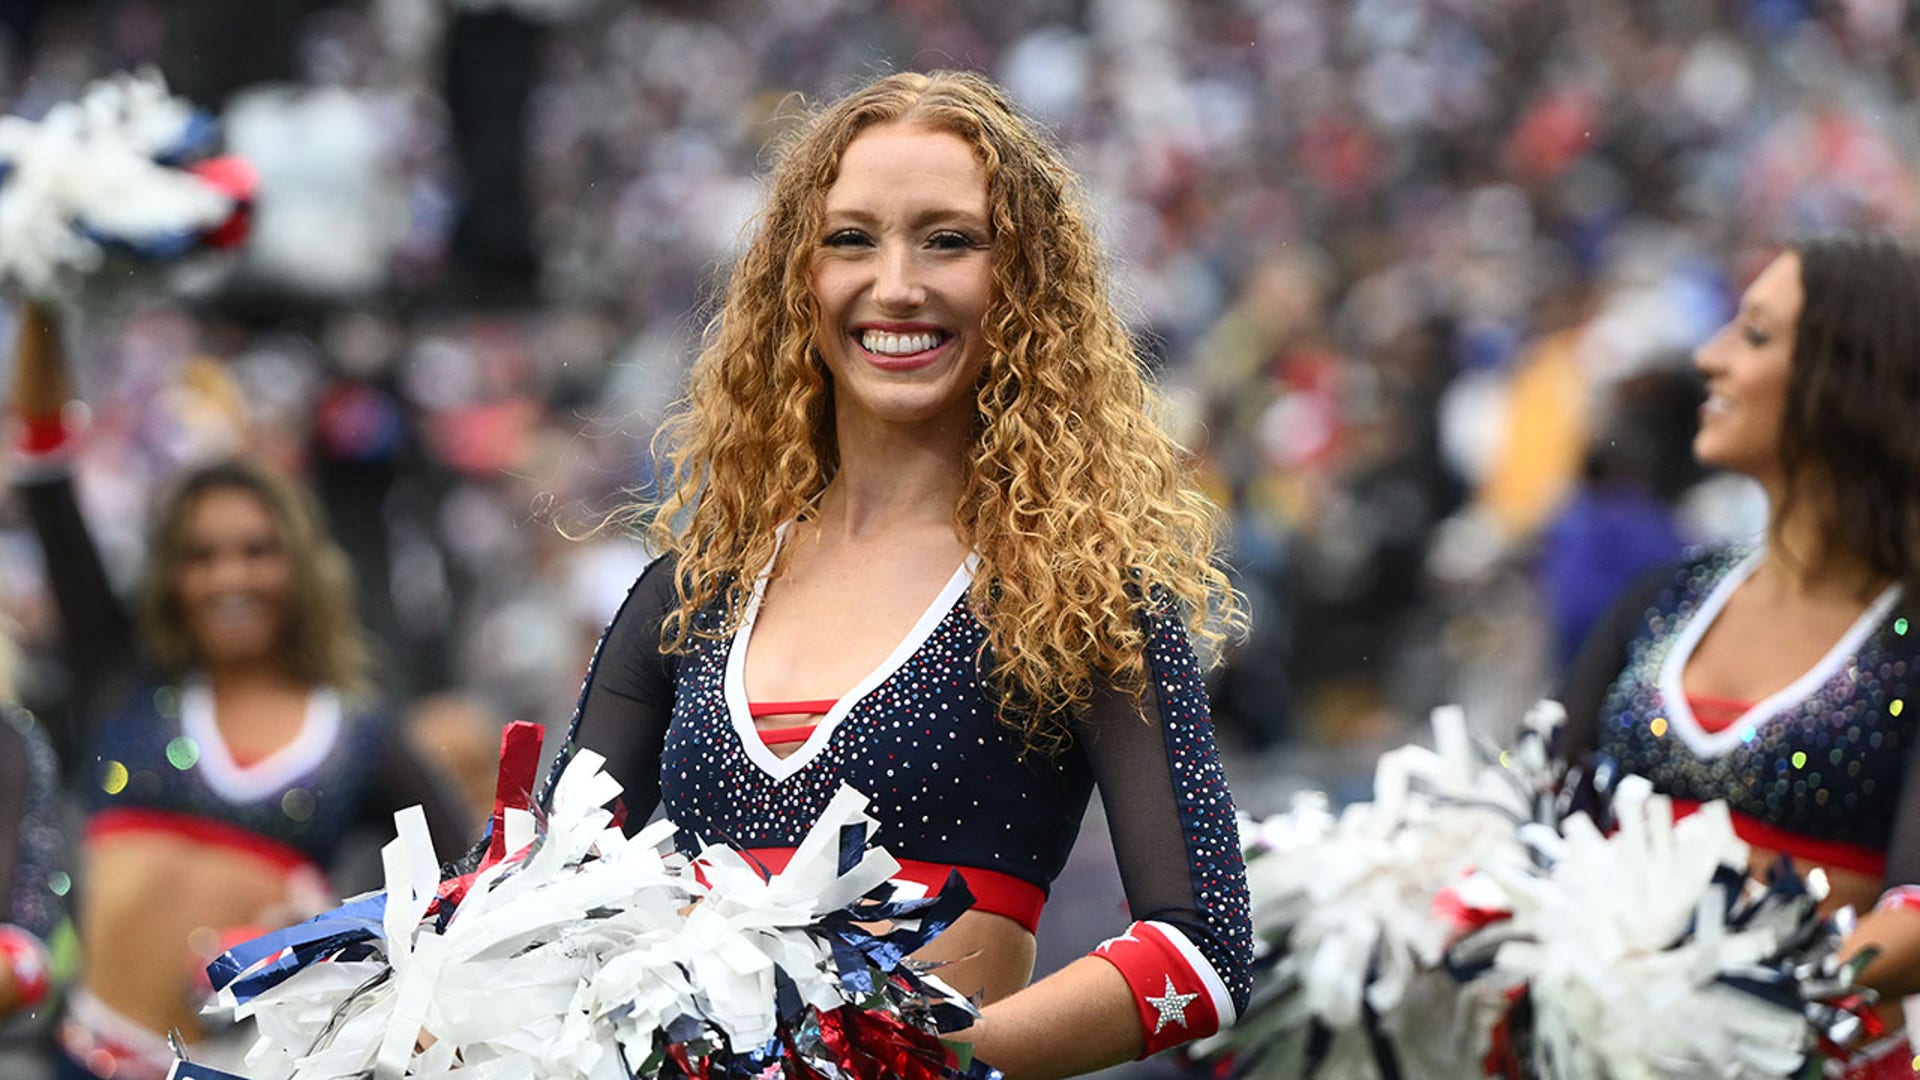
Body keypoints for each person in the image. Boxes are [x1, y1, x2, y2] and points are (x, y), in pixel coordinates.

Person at [567, 71, 1252, 1079]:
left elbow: (1201, 948)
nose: (895, 284)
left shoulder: (1080, 595)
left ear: (1021, 281)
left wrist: (928, 1055)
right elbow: (536, 905)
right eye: (852, 238)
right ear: (798, 276)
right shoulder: (690, 594)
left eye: (949, 240)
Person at [6, 300, 475, 1080]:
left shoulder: (359, 735)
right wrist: (47, 294)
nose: (231, 577)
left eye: (257, 551)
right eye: (203, 555)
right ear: (172, 573)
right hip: (76, 1062)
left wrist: (337, 937)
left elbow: (463, 895)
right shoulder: (120, 679)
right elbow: (48, 478)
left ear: (299, 566)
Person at [1559, 233, 1920, 1070]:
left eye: (1754, 335)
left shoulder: (1909, 640)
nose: (1709, 356)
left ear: (1849, 378)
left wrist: (1736, 1001)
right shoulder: (1663, 599)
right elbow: (1534, 804)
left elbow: (1912, 912)